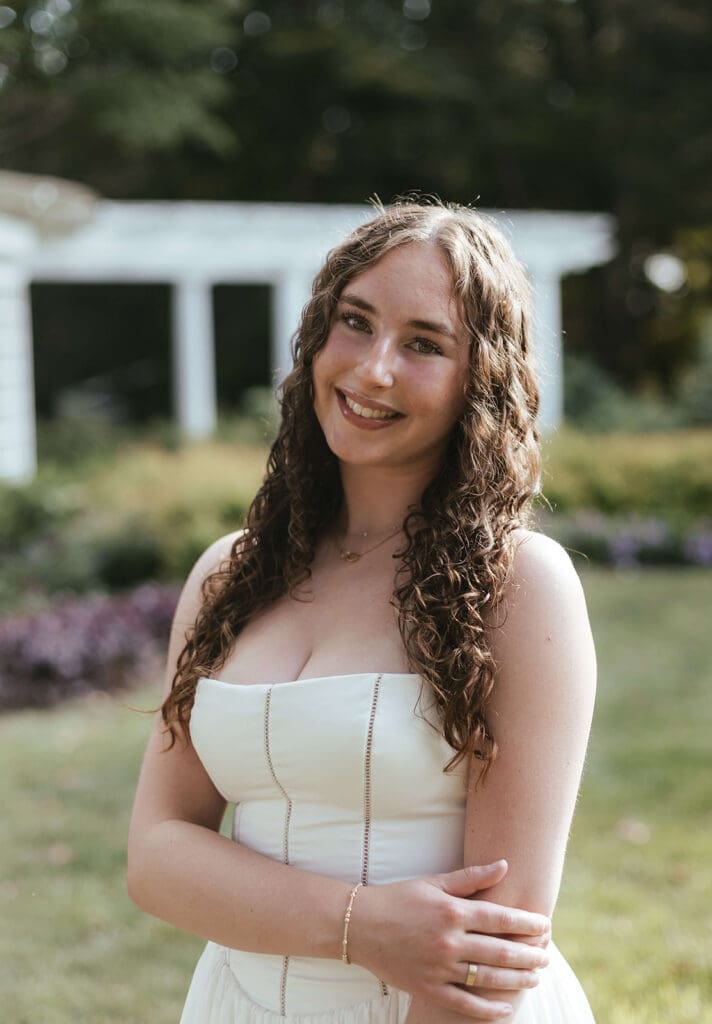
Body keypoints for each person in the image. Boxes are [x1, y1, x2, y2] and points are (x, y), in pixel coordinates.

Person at [128, 199, 597, 1024]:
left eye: (423, 344)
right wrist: (368, 927)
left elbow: (494, 952)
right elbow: (157, 857)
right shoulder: (228, 576)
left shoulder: (520, 584)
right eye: (355, 322)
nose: (373, 369)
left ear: (478, 380)